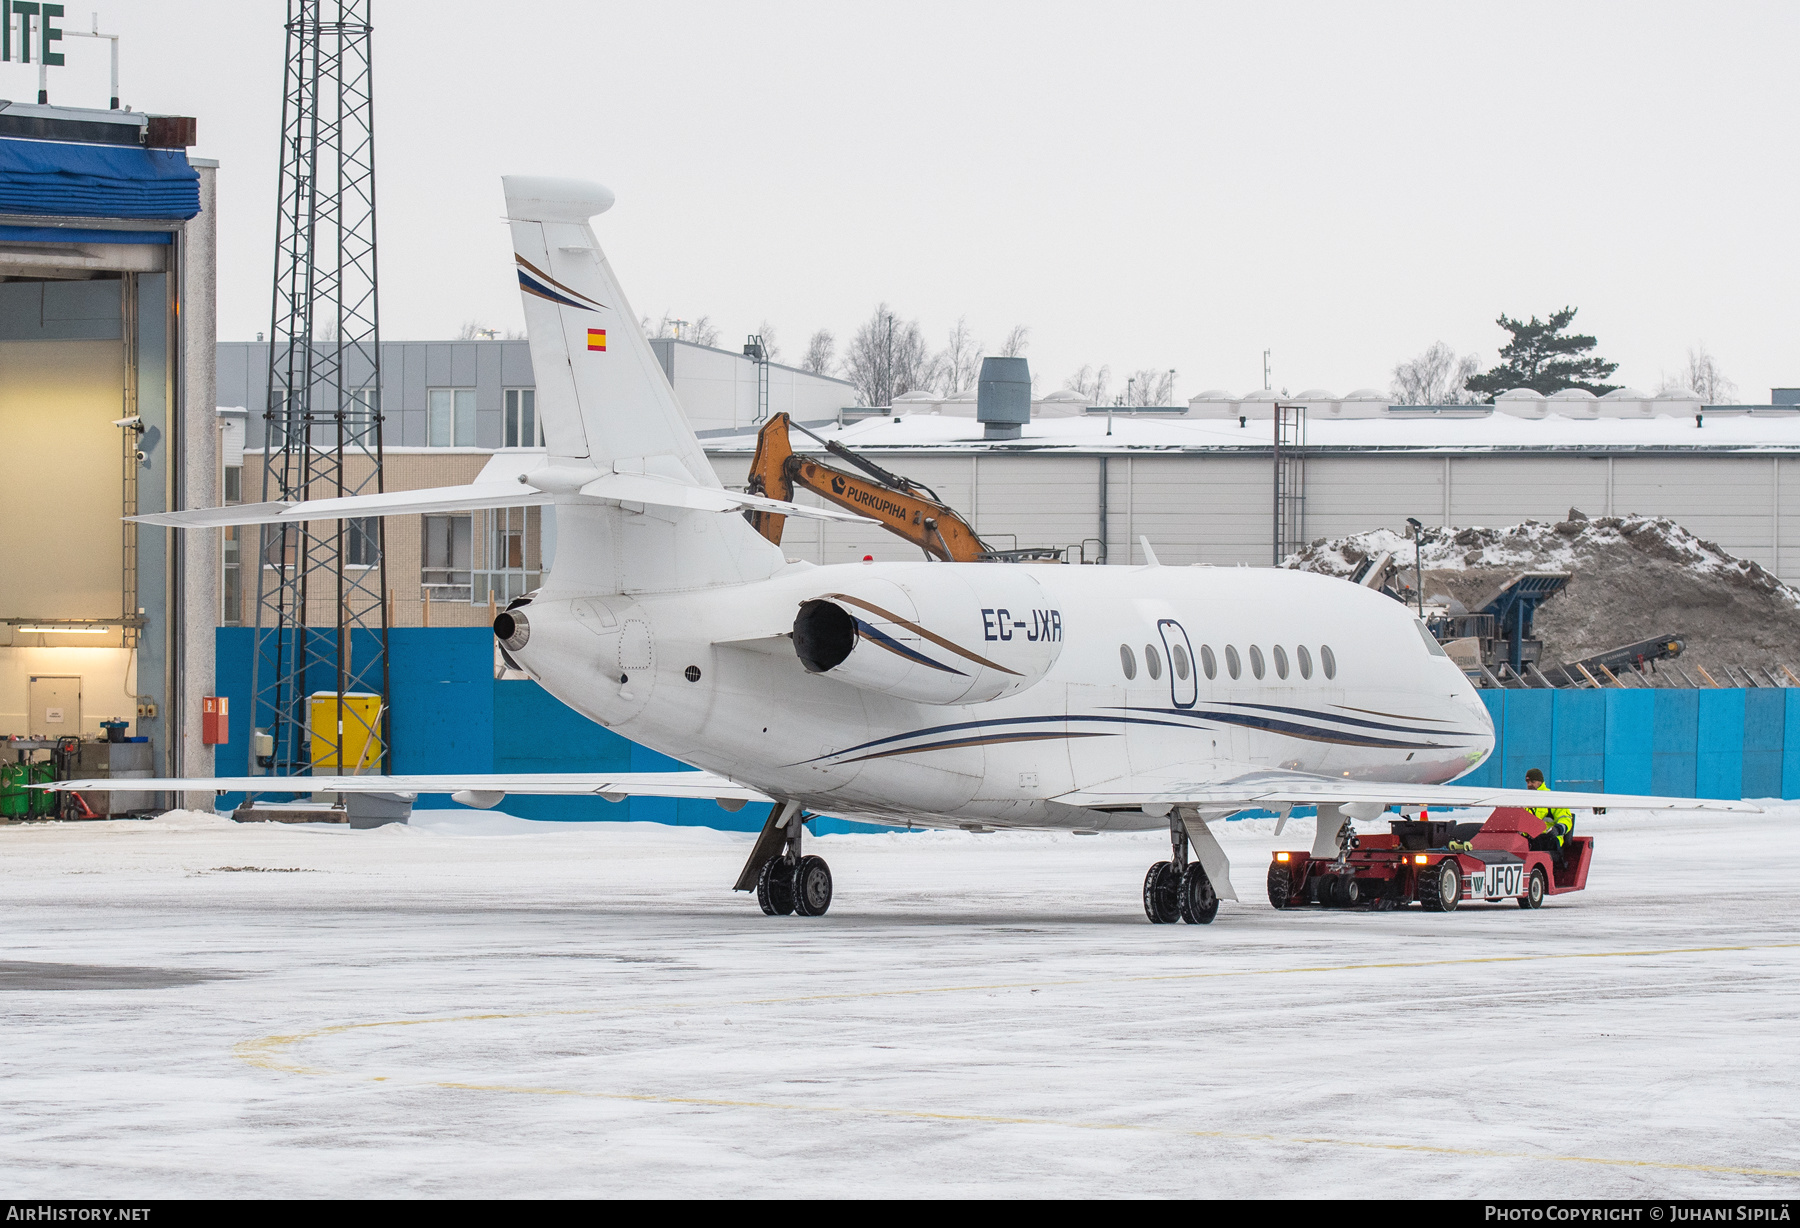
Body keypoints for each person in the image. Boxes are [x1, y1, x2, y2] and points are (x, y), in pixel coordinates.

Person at [1525, 768, 1574, 859]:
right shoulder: (1525, 801)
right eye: (1528, 782)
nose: (1529, 784)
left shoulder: (1552, 799)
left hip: (1550, 840)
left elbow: (1565, 818)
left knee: (1539, 842)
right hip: (1532, 840)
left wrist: (1557, 829)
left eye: (1533, 781)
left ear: (1540, 782)